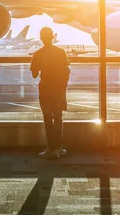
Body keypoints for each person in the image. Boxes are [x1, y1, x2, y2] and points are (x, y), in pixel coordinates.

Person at [30, 27, 70, 159]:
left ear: (41, 37)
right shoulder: (61, 52)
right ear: (52, 36)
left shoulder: (38, 54)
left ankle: (52, 149)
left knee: (48, 119)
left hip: (46, 89)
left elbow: (35, 74)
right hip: (58, 89)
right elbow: (66, 69)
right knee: (58, 118)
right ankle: (58, 147)